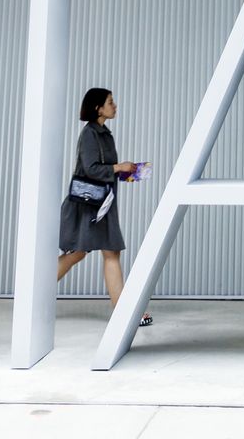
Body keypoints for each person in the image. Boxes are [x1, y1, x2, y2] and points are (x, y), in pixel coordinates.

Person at [57, 87, 151, 326]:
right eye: (110, 102)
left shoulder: (104, 133)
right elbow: (90, 169)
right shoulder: (90, 134)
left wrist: (127, 172)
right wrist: (119, 167)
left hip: (102, 204)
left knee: (110, 251)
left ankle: (123, 313)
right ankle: (34, 294)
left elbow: (101, 168)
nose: (114, 105)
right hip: (89, 205)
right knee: (78, 253)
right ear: (98, 108)